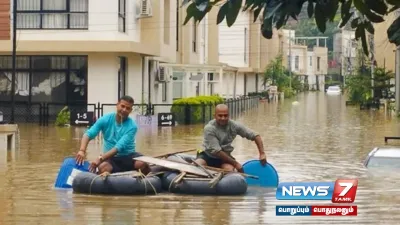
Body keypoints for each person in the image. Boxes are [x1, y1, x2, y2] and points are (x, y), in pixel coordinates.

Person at [75, 95, 150, 175]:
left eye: (127, 108)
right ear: (117, 105)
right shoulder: (105, 119)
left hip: (128, 156)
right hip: (110, 158)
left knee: (141, 163)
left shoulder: (132, 126)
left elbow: (118, 147)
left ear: (130, 110)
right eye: (122, 106)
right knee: (103, 167)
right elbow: (88, 134)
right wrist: (82, 151)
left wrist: (100, 158)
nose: (124, 110)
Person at [194, 104, 267, 172]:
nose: (223, 118)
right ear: (214, 116)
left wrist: (262, 153)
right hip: (208, 155)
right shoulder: (209, 128)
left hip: (224, 157)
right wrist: (236, 164)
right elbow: (217, 151)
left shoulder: (234, 125)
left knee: (229, 170)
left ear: (229, 115)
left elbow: (256, 135)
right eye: (220, 116)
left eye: (225, 116)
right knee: (198, 165)